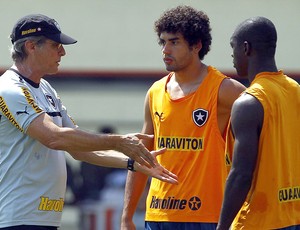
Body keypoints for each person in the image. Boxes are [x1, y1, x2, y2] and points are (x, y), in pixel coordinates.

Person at [0, 14, 178, 230]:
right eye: (55, 45)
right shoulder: (10, 88)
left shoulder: (45, 89)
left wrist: (132, 163)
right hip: (16, 219)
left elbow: (77, 148)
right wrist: (118, 142)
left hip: (39, 218)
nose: (62, 52)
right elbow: (54, 137)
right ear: (30, 46)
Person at [121, 5, 246, 230]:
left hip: (209, 217)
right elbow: (141, 155)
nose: (165, 50)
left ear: (196, 45)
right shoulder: (155, 92)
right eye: (163, 42)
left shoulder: (225, 90)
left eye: (174, 42)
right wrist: (127, 216)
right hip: (159, 215)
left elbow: (264, 143)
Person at [216, 17, 300, 230]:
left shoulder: (248, 102)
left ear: (246, 48)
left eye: (232, 47)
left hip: (258, 221)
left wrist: (222, 226)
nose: (232, 55)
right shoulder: (295, 90)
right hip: (293, 217)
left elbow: (241, 175)